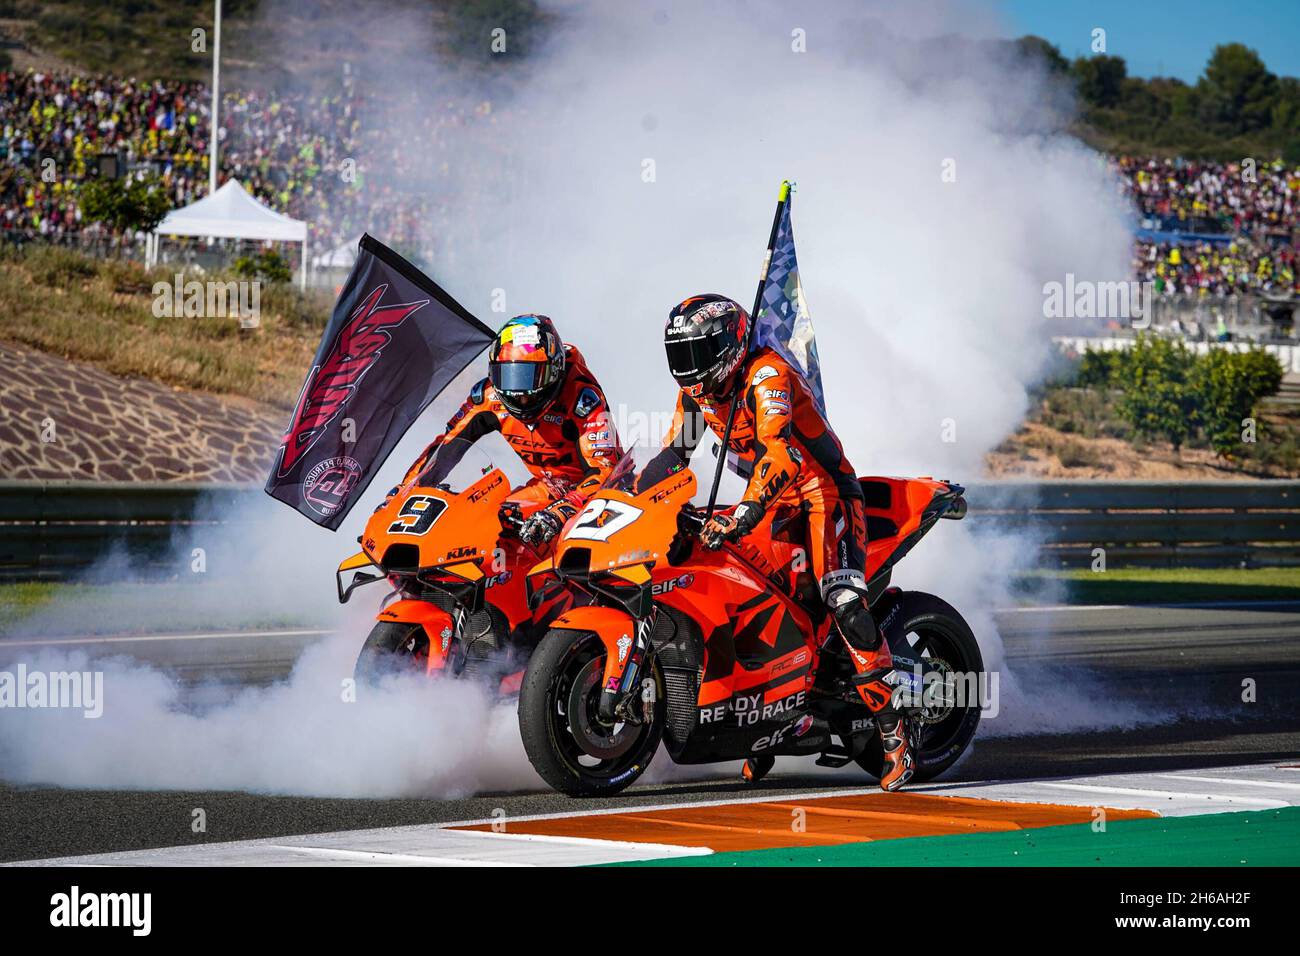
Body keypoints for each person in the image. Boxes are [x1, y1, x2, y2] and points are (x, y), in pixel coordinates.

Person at [645, 293, 915, 791]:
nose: (689, 369)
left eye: (697, 354)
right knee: (729, 583)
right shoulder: (700, 392)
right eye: (679, 356)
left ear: (727, 344)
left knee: (842, 597)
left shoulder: (766, 376)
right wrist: (630, 499)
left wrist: (746, 511)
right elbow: (674, 454)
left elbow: (782, 452)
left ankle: (893, 731)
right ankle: (770, 717)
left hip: (821, 492)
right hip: (770, 498)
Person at [400, 314, 623, 548]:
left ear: (555, 369)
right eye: (508, 376)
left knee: (576, 551)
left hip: (597, 496)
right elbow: (445, 447)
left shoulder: (581, 396)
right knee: (485, 529)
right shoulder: (488, 396)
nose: (521, 395)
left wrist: (560, 513)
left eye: (529, 377)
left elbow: (607, 472)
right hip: (545, 488)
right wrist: (402, 496)